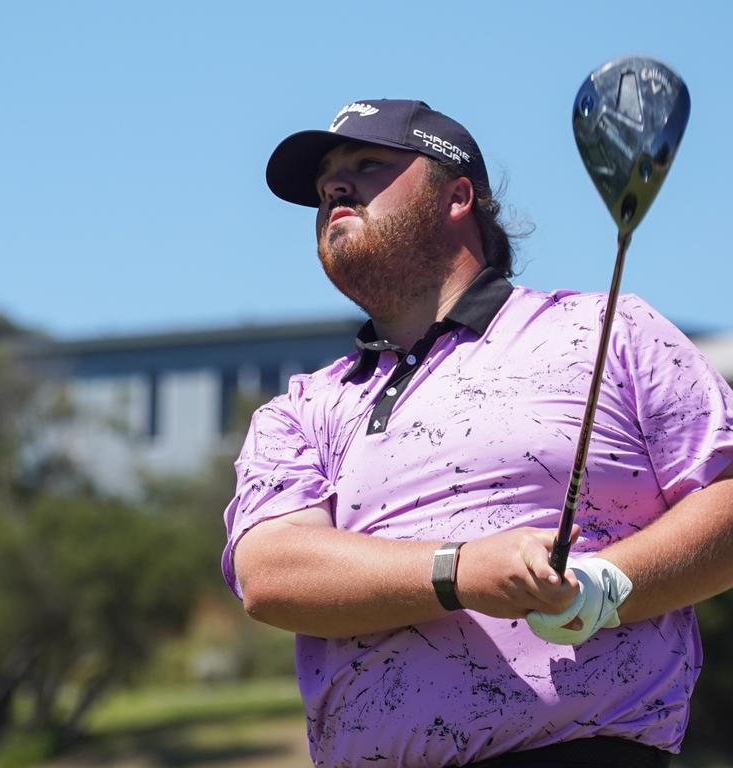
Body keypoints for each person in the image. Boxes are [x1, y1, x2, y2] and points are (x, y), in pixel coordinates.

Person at [221, 99, 733, 768]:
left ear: (458, 195)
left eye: (367, 165)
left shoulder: (609, 332)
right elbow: (271, 573)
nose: (335, 189)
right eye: (325, 187)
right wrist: (459, 571)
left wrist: (605, 587)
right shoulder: (301, 408)